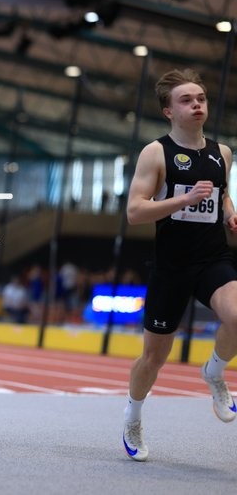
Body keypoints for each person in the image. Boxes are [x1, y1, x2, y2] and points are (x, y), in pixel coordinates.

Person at [123, 68, 237, 462]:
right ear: (169, 111)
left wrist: (229, 213)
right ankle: (133, 418)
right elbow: (135, 211)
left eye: (201, 98)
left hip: (213, 258)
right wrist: (183, 200)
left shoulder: (223, 153)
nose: (197, 105)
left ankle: (214, 372)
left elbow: (221, 195)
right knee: (153, 358)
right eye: (186, 100)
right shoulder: (156, 153)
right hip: (172, 265)